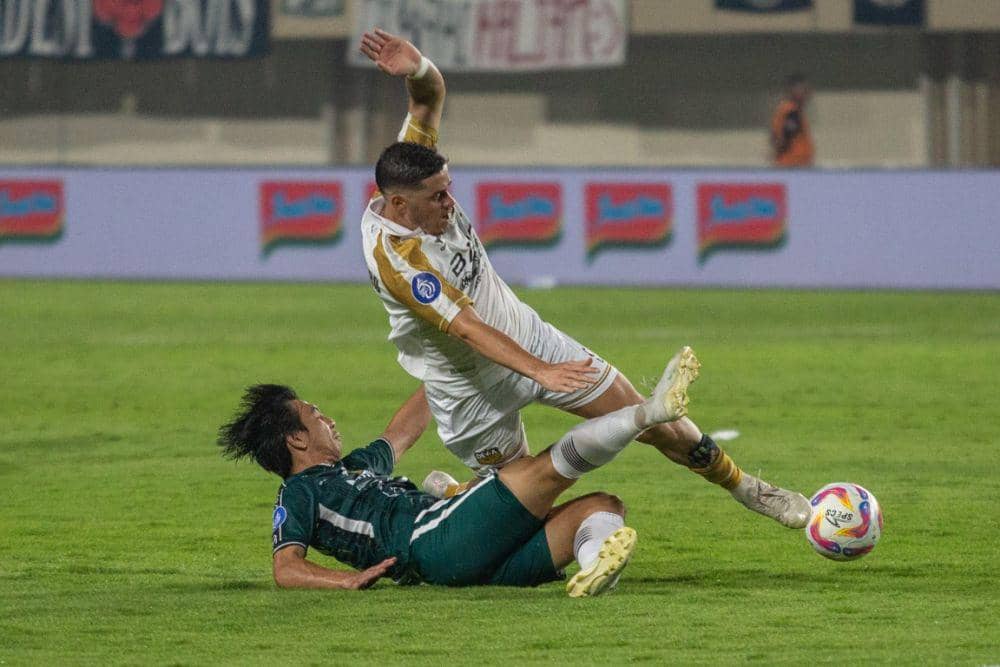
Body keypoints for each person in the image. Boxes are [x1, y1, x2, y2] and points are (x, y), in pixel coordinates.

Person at [357, 28, 809, 529]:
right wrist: (540, 373)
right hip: (468, 389)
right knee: (521, 512)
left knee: (652, 419)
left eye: (449, 190)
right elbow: (466, 327)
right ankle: (462, 494)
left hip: (527, 337)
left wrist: (418, 67)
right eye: (437, 197)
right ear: (399, 204)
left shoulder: (410, 167)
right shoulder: (396, 258)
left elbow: (428, 98)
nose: (450, 202)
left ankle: (748, 488)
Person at [216, 346, 700, 596]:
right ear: (297, 439)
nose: (329, 419)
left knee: (603, 507)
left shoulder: (355, 467)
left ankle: (596, 569)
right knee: (536, 470)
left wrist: (446, 370)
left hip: (463, 558)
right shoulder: (300, 493)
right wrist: (344, 580)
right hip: (430, 542)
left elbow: (402, 431)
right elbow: (286, 567)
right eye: (315, 414)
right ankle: (648, 414)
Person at [771, 72, 814, 167]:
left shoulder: (784, 110)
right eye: (804, 89)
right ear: (792, 90)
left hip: (793, 164)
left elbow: (774, 137)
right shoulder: (791, 112)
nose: (807, 94)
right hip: (793, 164)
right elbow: (783, 140)